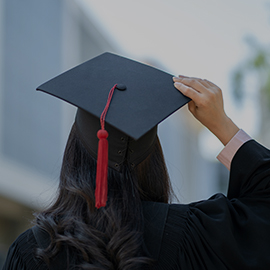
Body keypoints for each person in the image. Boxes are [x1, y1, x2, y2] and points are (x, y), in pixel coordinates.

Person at [2, 53, 270, 270]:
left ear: (75, 153)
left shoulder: (33, 251)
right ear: (155, 159)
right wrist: (223, 125)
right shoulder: (195, 235)